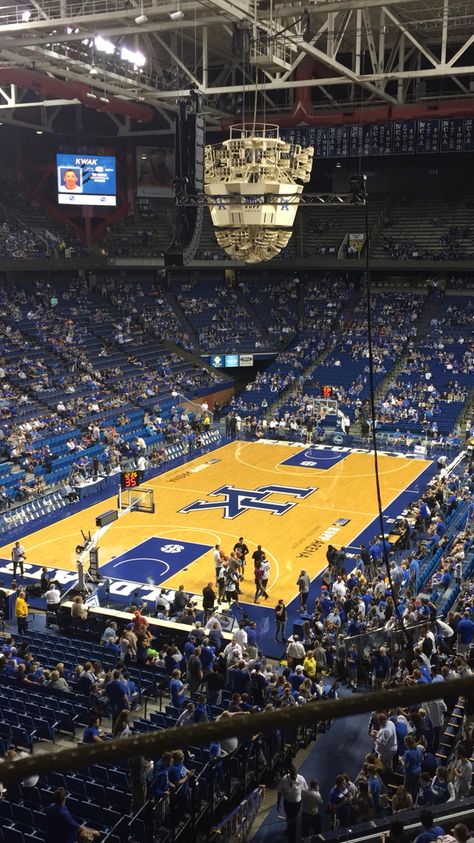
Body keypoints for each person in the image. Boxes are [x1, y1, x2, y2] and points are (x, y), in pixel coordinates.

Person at [277, 765, 308, 843]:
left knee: (294, 820)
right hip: (287, 803)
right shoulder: (284, 779)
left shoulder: (301, 779)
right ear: (289, 774)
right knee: (289, 817)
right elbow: (279, 791)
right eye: (292, 775)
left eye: (295, 775)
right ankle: (289, 828)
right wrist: (278, 802)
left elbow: (306, 791)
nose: (294, 777)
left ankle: (292, 839)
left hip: (297, 804)